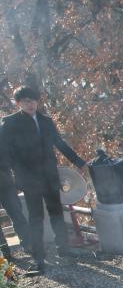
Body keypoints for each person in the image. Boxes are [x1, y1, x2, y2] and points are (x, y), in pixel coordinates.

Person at [0, 86, 87, 272]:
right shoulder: (10, 123)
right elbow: (3, 150)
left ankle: (64, 249)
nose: (30, 104)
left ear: (37, 101)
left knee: (57, 212)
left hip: (49, 175)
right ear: (18, 103)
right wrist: (7, 170)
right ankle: (39, 258)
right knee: (36, 217)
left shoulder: (46, 121)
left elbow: (59, 143)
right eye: (25, 101)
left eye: (32, 100)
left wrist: (79, 162)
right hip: (29, 178)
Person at [0, 144, 31, 260]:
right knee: (17, 213)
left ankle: (28, 244)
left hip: (6, 183)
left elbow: (12, 158)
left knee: (17, 213)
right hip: (6, 181)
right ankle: (5, 252)